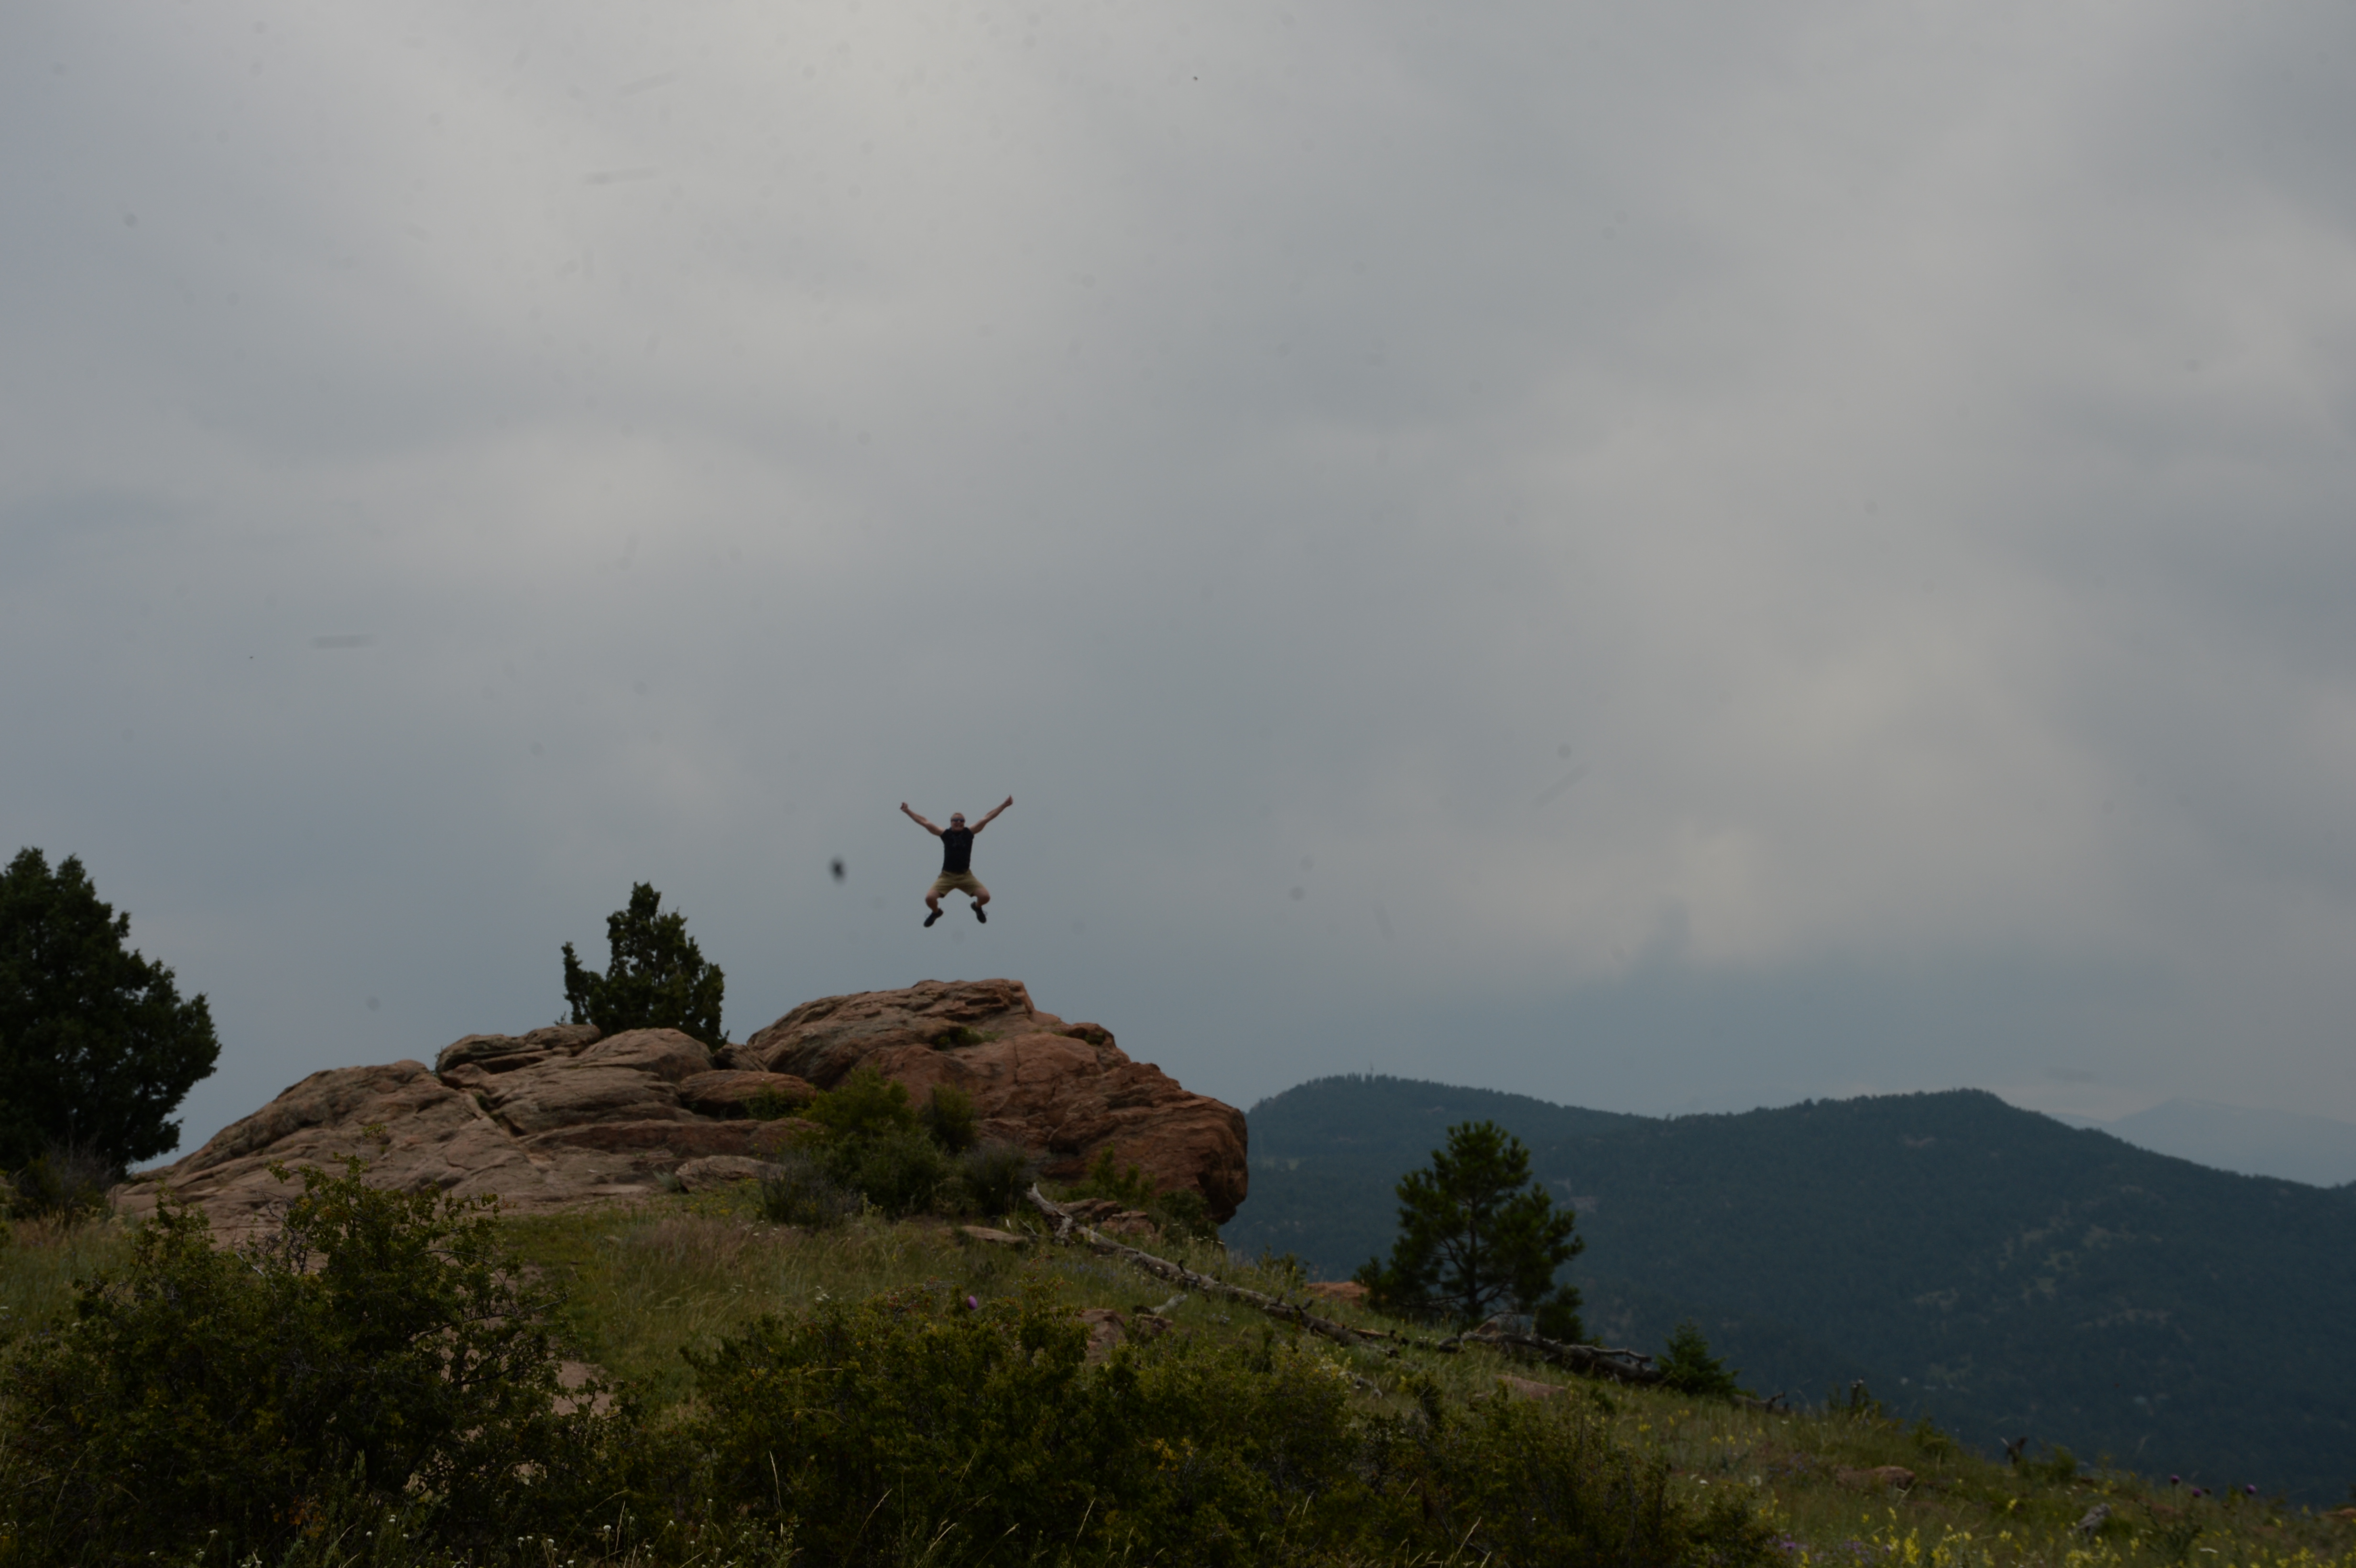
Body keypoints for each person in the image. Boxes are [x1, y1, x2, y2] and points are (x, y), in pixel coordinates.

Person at [901, 796, 1012, 926]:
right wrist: (908, 811)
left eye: (961, 820)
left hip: (966, 876)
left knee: (985, 897)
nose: (959, 822)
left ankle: (977, 907)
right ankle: (936, 912)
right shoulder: (945, 834)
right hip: (947, 876)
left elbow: (987, 818)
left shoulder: (969, 832)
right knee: (929, 899)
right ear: (951, 822)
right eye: (956, 820)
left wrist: (1004, 806)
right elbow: (925, 822)